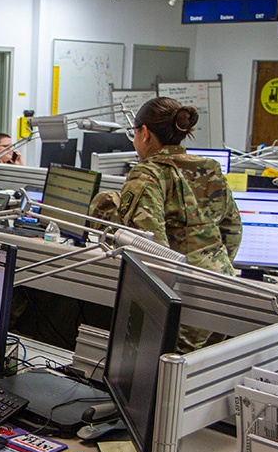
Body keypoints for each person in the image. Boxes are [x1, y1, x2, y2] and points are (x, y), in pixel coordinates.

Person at [91, 97, 241, 353]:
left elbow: (150, 248)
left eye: (134, 132)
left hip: (184, 296)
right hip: (223, 291)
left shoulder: (148, 173)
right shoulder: (209, 168)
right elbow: (232, 229)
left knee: (167, 378)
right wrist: (214, 264)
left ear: (145, 133)